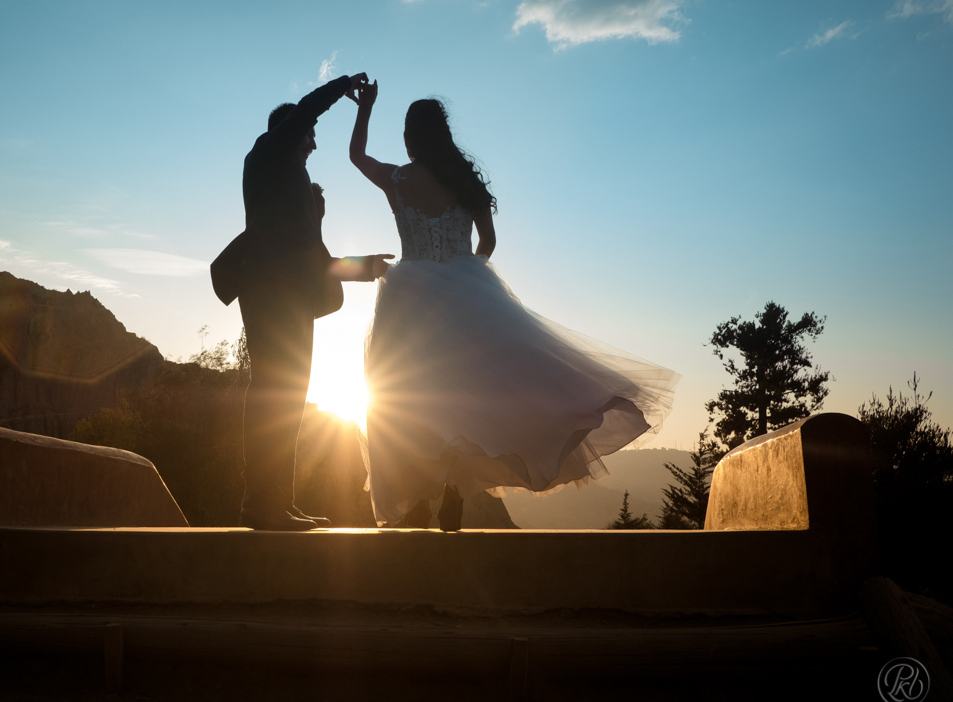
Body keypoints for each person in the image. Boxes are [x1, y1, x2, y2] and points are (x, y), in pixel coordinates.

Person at [349, 83, 680, 528]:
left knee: (407, 401)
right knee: (471, 397)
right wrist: (467, 274)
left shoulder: (400, 180)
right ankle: (451, 487)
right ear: (443, 135)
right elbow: (488, 241)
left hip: (408, 295)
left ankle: (419, 494)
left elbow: (357, 157)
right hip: (465, 288)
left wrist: (365, 108)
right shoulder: (465, 182)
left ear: (409, 138)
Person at [211, 73, 393, 531]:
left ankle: (278, 503)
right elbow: (306, 112)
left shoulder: (293, 179)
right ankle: (262, 505)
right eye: (310, 136)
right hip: (270, 293)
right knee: (274, 392)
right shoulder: (269, 152)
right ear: (293, 130)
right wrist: (342, 86)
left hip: (291, 296)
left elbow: (316, 259)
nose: (313, 145)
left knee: (289, 397)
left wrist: (367, 265)